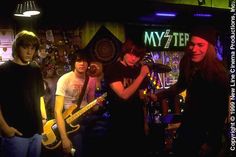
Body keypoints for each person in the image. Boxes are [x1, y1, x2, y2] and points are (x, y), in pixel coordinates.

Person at [156, 26, 230, 157]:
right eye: (192, 44)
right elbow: (180, 85)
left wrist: (211, 142)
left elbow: (220, 111)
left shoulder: (218, 73)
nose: (194, 49)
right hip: (189, 124)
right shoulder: (187, 61)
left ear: (210, 48)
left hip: (207, 131)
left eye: (200, 45)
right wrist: (158, 96)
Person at [0, 30, 46, 157]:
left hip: (36, 132)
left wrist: (44, 119)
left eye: (32, 48)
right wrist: (5, 128)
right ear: (17, 47)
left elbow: (39, 96)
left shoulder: (35, 69)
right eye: (25, 47)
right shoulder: (3, 70)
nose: (29, 52)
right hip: (15, 134)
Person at [104, 38, 151, 157]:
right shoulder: (113, 69)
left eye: (137, 56)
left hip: (137, 120)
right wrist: (141, 76)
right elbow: (124, 95)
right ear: (124, 52)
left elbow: (141, 98)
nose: (134, 58)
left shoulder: (136, 70)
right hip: (119, 123)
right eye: (131, 54)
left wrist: (145, 122)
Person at [54, 50, 97, 157]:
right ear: (74, 62)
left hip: (87, 116)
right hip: (70, 119)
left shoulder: (91, 80)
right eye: (79, 61)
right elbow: (57, 110)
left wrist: (97, 104)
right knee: (79, 151)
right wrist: (64, 138)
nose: (82, 63)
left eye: (85, 61)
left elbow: (92, 105)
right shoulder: (64, 79)